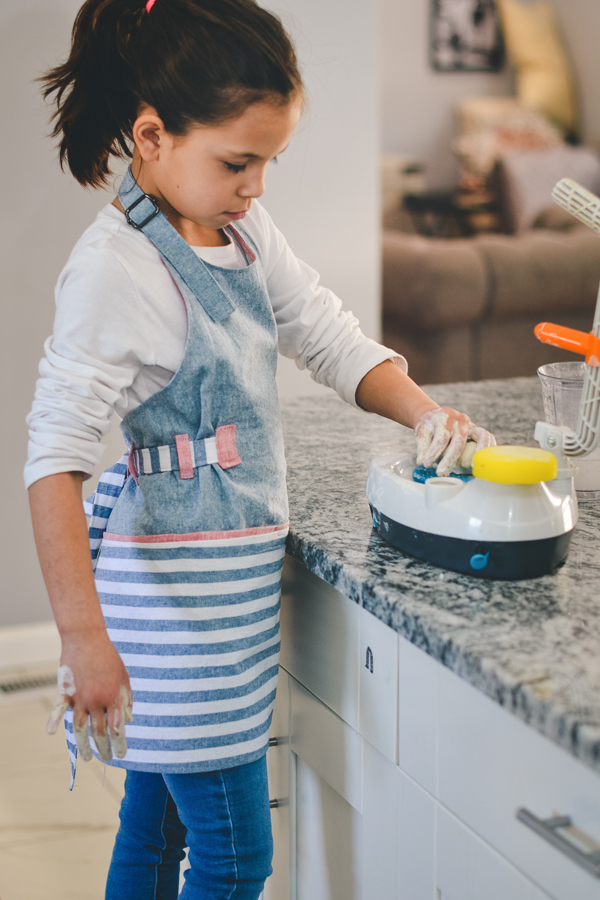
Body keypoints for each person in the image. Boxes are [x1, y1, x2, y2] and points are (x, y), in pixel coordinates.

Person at [25, 0, 495, 896]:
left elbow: (325, 334)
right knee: (236, 856)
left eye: (269, 161)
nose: (258, 186)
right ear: (153, 136)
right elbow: (53, 460)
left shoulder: (238, 231)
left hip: (223, 603)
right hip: (174, 619)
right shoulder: (116, 270)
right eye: (238, 162)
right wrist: (84, 639)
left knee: (155, 829)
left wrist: (427, 414)